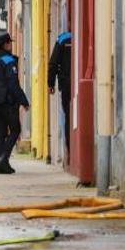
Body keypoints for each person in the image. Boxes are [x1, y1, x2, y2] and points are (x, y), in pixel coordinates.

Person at [0, 33, 29, 174]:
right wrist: (23, 100)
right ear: (5, 44)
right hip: (6, 102)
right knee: (15, 130)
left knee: (1, 132)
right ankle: (3, 159)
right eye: (10, 43)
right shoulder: (7, 59)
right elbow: (12, 84)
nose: (11, 45)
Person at [48, 31, 72, 161]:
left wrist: (51, 84)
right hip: (75, 82)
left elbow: (53, 63)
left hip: (66, 84)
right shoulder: (83, 33)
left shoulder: (62, 38)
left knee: (68, 117)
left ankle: (70, 151)